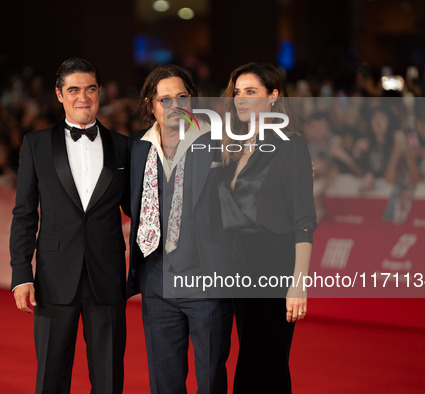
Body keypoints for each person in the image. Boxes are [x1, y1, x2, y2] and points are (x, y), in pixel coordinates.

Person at [9, 58, 130, 393]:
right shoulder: (35, 145)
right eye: (74, 89)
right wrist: (21, 273)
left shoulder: (123, 147)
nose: (83, 97)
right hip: (53, 277)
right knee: (51, 376)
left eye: (90, 89)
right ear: (59, 95)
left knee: (108, 379)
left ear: (99, 93)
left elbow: (138, 209)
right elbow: (24, 213)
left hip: (106, 279)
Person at [127, 65, 233, 394]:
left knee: (210, 378)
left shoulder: (218, 144)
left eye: (182, 97)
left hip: (206, 280)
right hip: (157, 281)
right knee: (164, 380)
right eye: (166, 99)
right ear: (151, 104)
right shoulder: (137, 149)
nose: (175, 106)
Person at [218, 63, 317, 393]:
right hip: (238, 269)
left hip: (273, 267)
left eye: (251, 92)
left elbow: (303, 220)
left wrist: (298, 284)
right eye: (237, 93)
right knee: (255, 362)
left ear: (273, 96)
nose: (241, 100)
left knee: (264, 365)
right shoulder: (232, 146)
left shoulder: (291, 146)